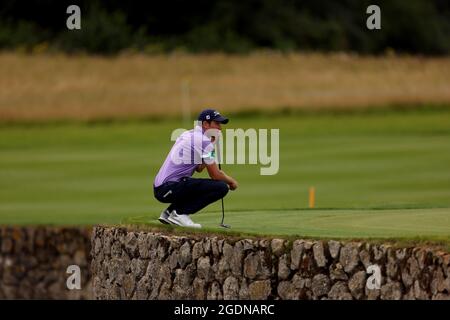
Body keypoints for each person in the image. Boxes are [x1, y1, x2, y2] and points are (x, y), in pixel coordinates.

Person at [153, 109, 238, 228]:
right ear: (205, 124)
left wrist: (212, 145)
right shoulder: (203, 141)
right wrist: (232, 182)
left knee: (190, 184)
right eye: (217, 124)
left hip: (161, 188)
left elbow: (199, 167)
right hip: (169, 187)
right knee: (221, 187)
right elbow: (215, 175)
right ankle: (180, 213)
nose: (220, 128)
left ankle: (168, 213)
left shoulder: (189, 134)